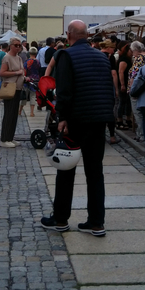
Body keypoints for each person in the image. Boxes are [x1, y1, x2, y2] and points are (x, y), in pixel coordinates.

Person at [40, 20, 114, 237]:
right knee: (95, 172)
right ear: (87, 35)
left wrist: (62, 117)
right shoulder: (102, 56)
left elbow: (64, 89)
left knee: (66, 168)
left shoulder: (66, 55)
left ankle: (60, 219)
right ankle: (96, 222)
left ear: (68, 34)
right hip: (98, 119)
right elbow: (108, 88)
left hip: (75, 120)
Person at [0, 37, 25, 148]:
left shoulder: (18, 58)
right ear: (10, 46)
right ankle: (4, 139)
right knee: (9, 113)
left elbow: (21, 71)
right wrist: (16, 73)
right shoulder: (7, 58)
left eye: (19, 45)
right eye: (16, 45)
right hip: (10, 88)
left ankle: (10, 137)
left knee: (14, 114)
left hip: (18, 88)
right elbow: (2, 73)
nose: (18, 47)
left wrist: (24, 77)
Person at [127, 41, 145, 141]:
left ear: (136, 50)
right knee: (144, 112)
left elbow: (133, 75)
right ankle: (144, 133)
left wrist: (132, 89)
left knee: (137, 112)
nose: (132, 53)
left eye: (133, 51)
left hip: (137, 89)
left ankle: (141, 133)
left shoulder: (139, 58)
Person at [24, 47, 41, 117]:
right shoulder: (37, 62)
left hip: (27, 79)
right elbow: (39, 70)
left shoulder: (27, 62)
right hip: (35, 79)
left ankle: (20, 110)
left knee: (24, 96)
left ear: (29, 53)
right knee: (33, 96)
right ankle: (32, 112)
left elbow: (24, 70)